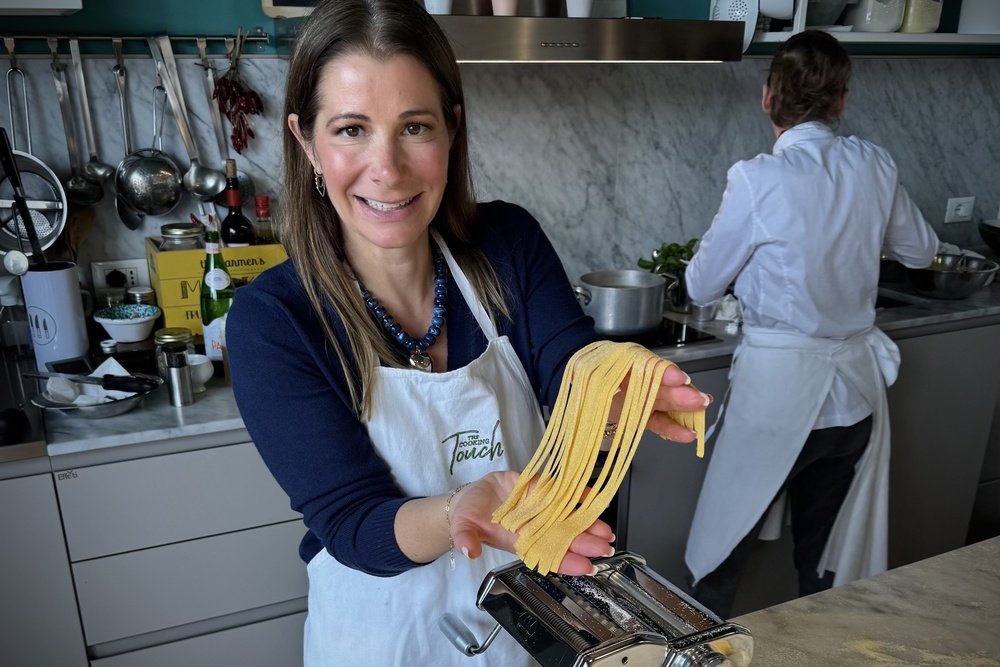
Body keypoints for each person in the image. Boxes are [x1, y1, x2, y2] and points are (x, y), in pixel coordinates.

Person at [224, 0, 710, 664]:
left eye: (414, 126)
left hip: (532, 629)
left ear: (452, 129)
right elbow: (351, 519)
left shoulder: (506, 244)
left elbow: (570, 362)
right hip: (383, 640)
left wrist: (609, 388)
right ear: (306, 141)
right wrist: (458, 511)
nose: (387, 168)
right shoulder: (274, 322)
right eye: (351, 129)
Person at [682, 30, 939, 619]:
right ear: (841, 100)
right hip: (852, 400)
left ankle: (696, 650)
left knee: (722, 549)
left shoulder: (757, 179)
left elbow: (700, 287)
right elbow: (921, 252)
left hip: (778, 399)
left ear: (767, 96)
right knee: (826, 561)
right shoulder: (875, 163)